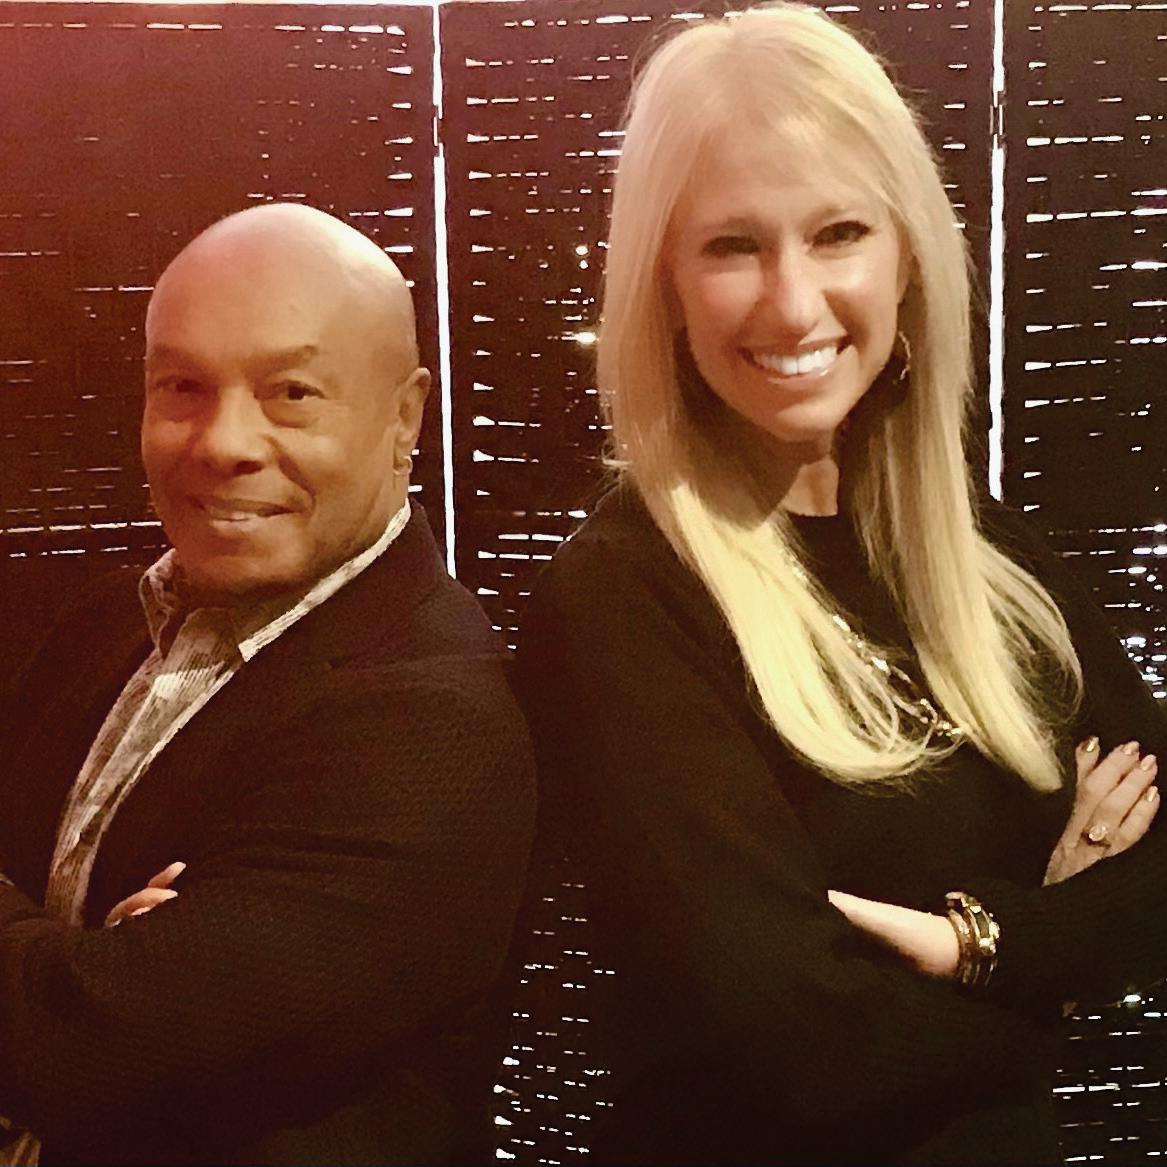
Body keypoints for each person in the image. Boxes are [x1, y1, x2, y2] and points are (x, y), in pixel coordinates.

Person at [513, 5, 1167, 1164]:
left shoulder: (988, 558)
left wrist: (979, 942)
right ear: (663, 281)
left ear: (907, 255)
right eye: (732, 246)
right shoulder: (617, 602)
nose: (795, 303)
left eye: (838, 232)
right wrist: (1056, 950)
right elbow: (793, 1046)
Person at [0, 203, 535, 1165]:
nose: (222, 442)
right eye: (182, 386)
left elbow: (83, 1047)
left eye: (291, 392)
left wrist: (79, 986)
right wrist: (77, 961)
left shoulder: (434, 720)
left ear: (404, 416)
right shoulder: (102, 624)